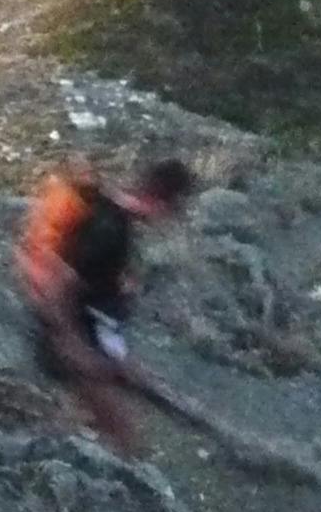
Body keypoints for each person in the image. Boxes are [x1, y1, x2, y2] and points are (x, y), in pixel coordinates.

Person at [14, 155, 192, 453]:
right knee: (122, 432)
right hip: (71, 334)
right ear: (162, 202)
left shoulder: (110, 215)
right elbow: (62, 282)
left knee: (96, 419)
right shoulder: (109, 230)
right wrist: (72, 345)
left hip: (81, 333)